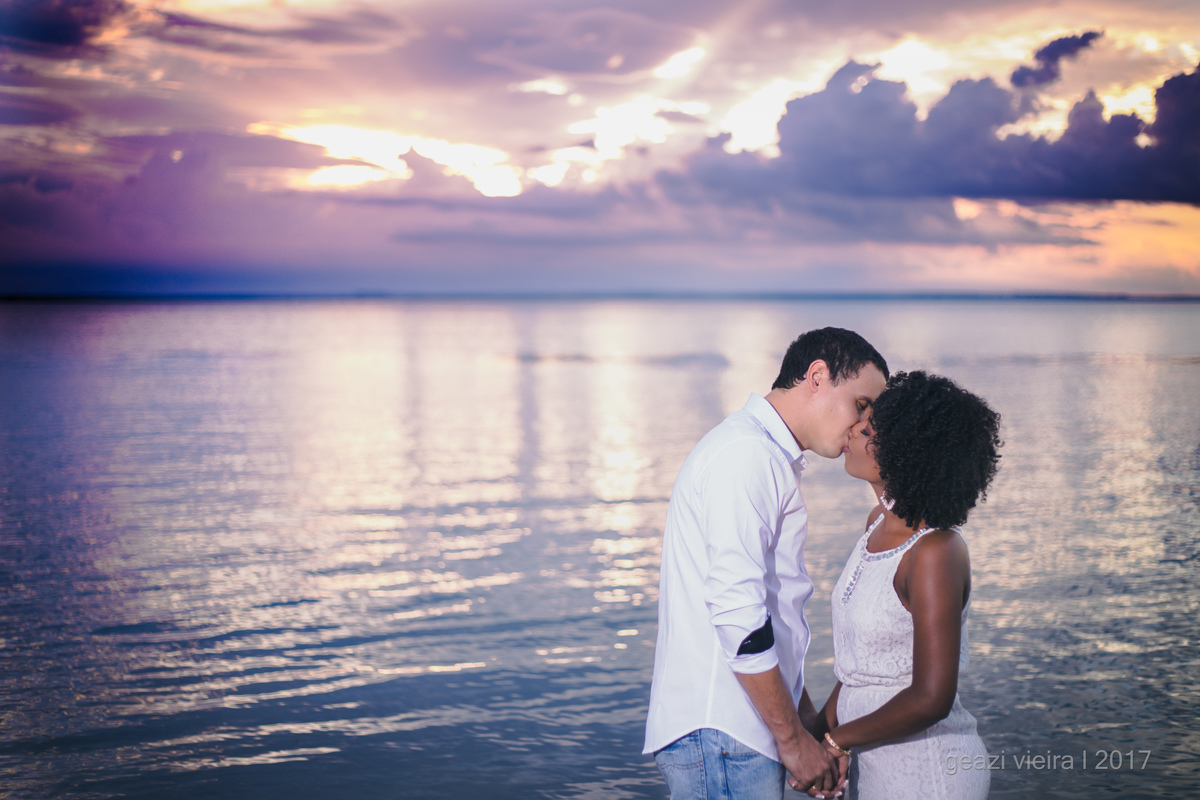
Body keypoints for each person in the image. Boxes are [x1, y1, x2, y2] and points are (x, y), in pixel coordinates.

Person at [645, 328, 889, 800]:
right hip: (722, 732)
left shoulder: (761, 455)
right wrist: (793, 741)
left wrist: (805, 725)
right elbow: (739, 614)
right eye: (861, 405)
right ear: (817, 376)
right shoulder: (746, 455)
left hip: (732, 734)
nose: (863, 426)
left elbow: (768, 617)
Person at [813, 370, 1001, 800]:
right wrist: (813, 736)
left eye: (871, 428)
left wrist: (837, 742)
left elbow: (932, 697)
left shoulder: (935, 551)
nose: (855, 428)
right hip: (873, 766)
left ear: (906, 451)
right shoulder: (874, 525)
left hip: (929, 772)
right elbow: (860, 668)